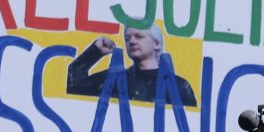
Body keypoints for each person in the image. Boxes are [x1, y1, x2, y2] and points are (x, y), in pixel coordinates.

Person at [67, 25, 198, 106]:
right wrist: (94, 52)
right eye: (127, 38)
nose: (132, 41)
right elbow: (74, 91)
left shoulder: (179, 86)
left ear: (157, 44)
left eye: (139, 36)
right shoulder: (111, 79)